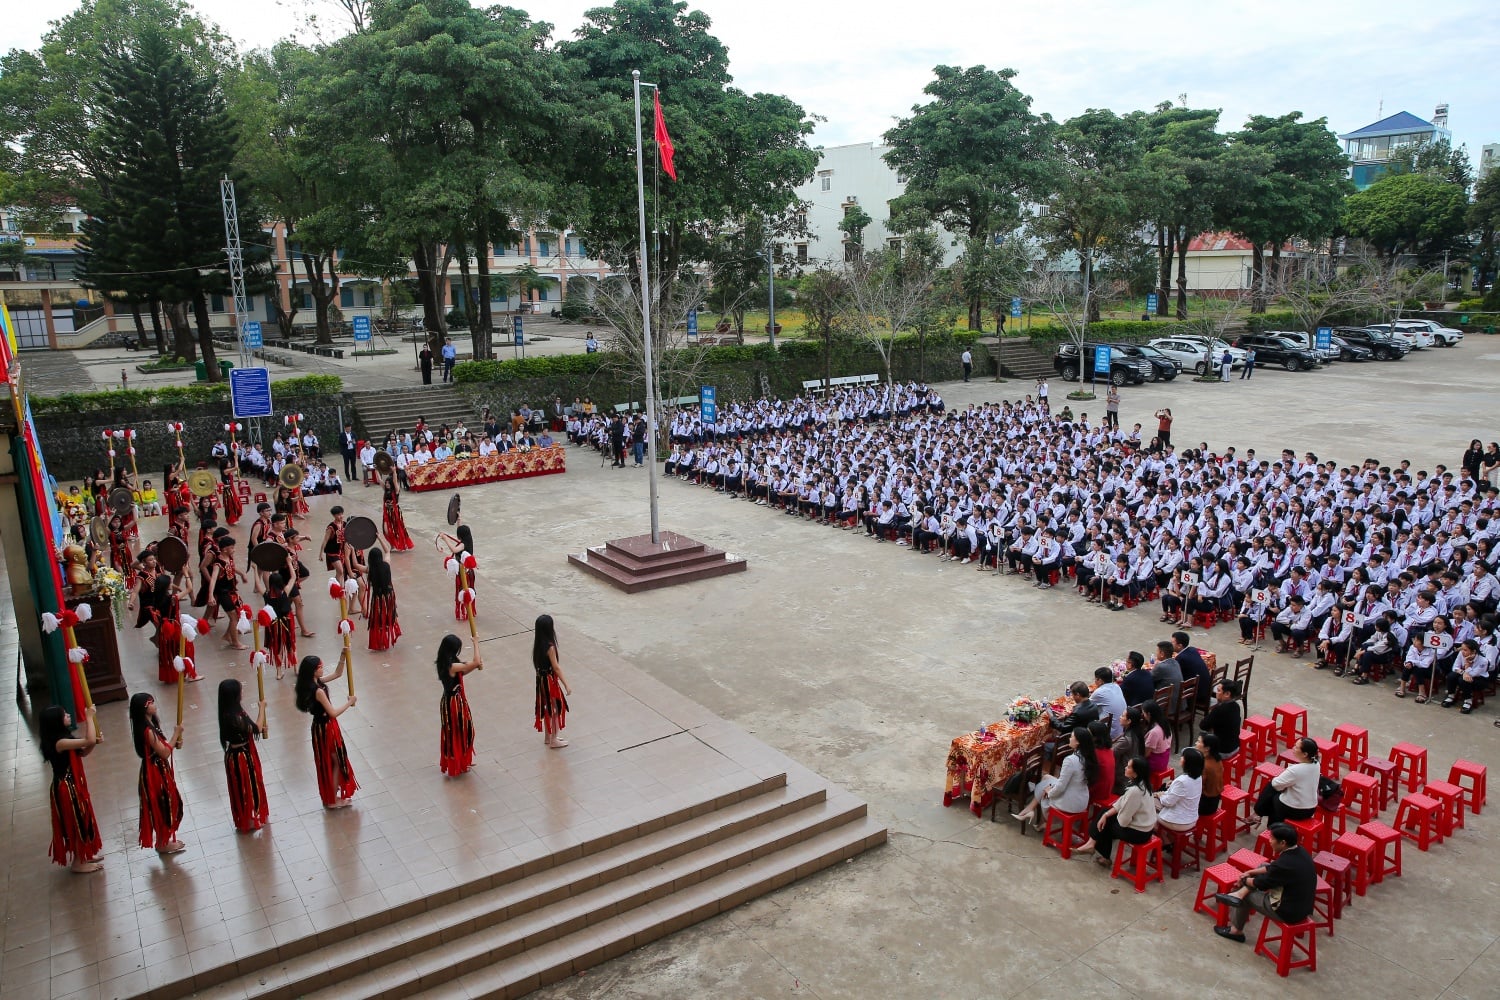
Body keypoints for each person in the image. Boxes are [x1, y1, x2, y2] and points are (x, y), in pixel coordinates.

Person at [1213, 822, 1317, 942]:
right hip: (1302, 903)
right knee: (1262, 867)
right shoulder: (1299, 851)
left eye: (1272, 839)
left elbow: (1261, 883)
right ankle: (1239, 894)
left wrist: (1243, 879)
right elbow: (1272, 868)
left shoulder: (1285, 865)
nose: (1270, 841)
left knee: (1247, 895)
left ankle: (1236, 930)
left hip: (1287, 910)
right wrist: (1251, 872)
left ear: (1283, 843)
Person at [40, 704, 104, 873]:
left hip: (73, 785)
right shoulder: (59, 742)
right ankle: (78, 862)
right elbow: (87, 740)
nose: (68, 715)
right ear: (56, 722)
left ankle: (84, 853)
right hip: (66, 788)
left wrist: (94, 743)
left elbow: (83, 751)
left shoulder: (64, 738)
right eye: (64, 715)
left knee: (82, 819)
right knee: (76, 823)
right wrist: (89, 717)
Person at [294, 655, 358, 808]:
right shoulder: (318, 691)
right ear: (313, 671)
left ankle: (330, 795)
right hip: (327, 728)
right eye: (320, 667)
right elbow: (333, 713)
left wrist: (343, 655)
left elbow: (338, 673)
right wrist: (350, 702)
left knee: (331, 761)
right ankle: (332, 799)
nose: (322, 669)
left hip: (319, 727)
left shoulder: (312, 683)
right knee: (336, 761)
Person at [129, 692, 185, 854]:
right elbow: (164, 753)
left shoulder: (150, 724)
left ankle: (164, 839)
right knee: (162, 805)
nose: (154, 705)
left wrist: (174, 741)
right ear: (144, 708)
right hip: (154, 772)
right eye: (150, 702)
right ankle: (162, 842)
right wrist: (176, 733)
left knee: (168, 802)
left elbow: (165, 746)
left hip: (158, 768)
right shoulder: (147, 730)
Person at [1080, 755, 1157, 865]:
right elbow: (1121, 801)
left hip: (1139, 833)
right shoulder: (1143, 784)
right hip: (1146, 828)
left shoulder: (1135, 791)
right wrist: (1106, 815)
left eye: (1129, 767)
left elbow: (1123, 821)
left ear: (1136, 773)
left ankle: (1098, 850)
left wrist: (1108, 818)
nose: (1125, 768)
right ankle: (1092, 844)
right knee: (1104, 813)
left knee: (1106, 825)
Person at [1011, 728, 1095, 828]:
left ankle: (1031, 812)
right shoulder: (1088, 757)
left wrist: (1049, 792)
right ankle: (1033, 813)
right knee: (1046, 778)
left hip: (1070, 802)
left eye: (1072, 737)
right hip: (1082, 799)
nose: (1069, 738)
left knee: (1044, 788)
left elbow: (1061, 787)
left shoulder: (1071, 760)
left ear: (1077, 742)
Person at [218, 679, 268, 832]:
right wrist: (262, 708)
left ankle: (249, 816)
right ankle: (248, 818)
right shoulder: (233, 716)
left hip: (238, 754)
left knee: (246, 786)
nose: (242, 692)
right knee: (245, 787)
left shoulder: (232, 711)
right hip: (240, 758)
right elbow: (256, 728)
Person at [436, 634, 483, 776]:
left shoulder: (446, 662)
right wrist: (475, 643)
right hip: (453, 704)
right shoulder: (451, 665)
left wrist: (475, 666)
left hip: (453, 700)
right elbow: (475, 661)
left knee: (462, 731)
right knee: (459, 731)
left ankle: (462, 760)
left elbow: (464, 671)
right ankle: (458, 762)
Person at [1254, 736, 1320, 824]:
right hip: (1311, 808)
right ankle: (1258, 814)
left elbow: (1275, 784)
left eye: (1296, 747)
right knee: (1277, 795)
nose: (1293, 748)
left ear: (1305, 754)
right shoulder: (1316, 763)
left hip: (1296, 810)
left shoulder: (1296, 770)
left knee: (1273, 794)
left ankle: (1267, 823)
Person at [533, 613, 573, 748]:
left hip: (541, 680)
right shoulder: (550, 647)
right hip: (550, 681)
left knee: (546, 707)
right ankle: (554, 739)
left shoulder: (538, 644)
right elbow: (556, 667)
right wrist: (566, 684)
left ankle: (548, 736)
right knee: (555, 708)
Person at [1155, 748, 1203, 834]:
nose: (1180, 758)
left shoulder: (1182, 781)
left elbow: (1168, 802)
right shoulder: (1198, 777)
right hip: (1191, 818)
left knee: (1147, 811)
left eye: (1182, 757)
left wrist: (1160, 795)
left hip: (1178, 822)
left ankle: (1165, 841)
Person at [262, 572, 297, 679]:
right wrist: (289, 562)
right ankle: (296, 668)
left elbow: (258, 584)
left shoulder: (267, 595)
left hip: (273, 624)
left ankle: (278, 672)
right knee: (291, 644)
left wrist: (255, 571)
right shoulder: (285, 592)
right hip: (286, 623)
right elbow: (293, 577)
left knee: (277, 647)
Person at [367, 548, 400, 650]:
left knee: (378, 620)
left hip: (377, 600)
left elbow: (355, 565)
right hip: (388, 597)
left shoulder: (370, 570)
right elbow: (387, 551)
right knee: (389, 617)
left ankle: (381, 643)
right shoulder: (386, 565)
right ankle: (385, 641)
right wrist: (379, 537)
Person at [1172, 632, 1213, 711]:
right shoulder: (1192, 650)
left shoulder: (1181, 658)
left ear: (1179, 645)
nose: (1171, 644)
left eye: (1172, 643)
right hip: (1206, 689)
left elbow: (1175, 675)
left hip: (1197, 693)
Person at [1202, 679, 1242, 760]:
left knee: (1191, 752)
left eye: (1219, 691)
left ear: (1227, 694)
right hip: (1235, 746)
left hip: (1223, 751)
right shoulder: (1236, 706)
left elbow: (1203, 725)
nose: (1216, 693)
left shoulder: (1219, 709)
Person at [1089, 666, 1127, 739]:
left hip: (1110, 732)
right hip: (1122, 728)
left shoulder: (1099, 692)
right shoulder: (1116, 686)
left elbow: (1086, 704)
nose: (1095, 681)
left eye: (1095, 679)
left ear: (1100, 680)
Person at [381, 471, 414, 551]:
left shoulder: (396, 491)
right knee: (386, 531)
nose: (387, 484)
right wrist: (376, 470)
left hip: (395, 513)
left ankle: (401, 544)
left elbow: (395, 481)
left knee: (398, 529)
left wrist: (394, 472)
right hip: (387, 513)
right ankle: (392, 544)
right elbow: (379, 480)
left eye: (388, 483)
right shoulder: (385, 491)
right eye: (386, 483)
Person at [1197, 733, 1224, 816]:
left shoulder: (1205, 765)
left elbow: (1198, 787)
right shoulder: (1217, 760)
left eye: (1199, 741)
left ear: (1207, 748)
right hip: (1214, 801)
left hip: (1204, 805)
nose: (1196, 743)